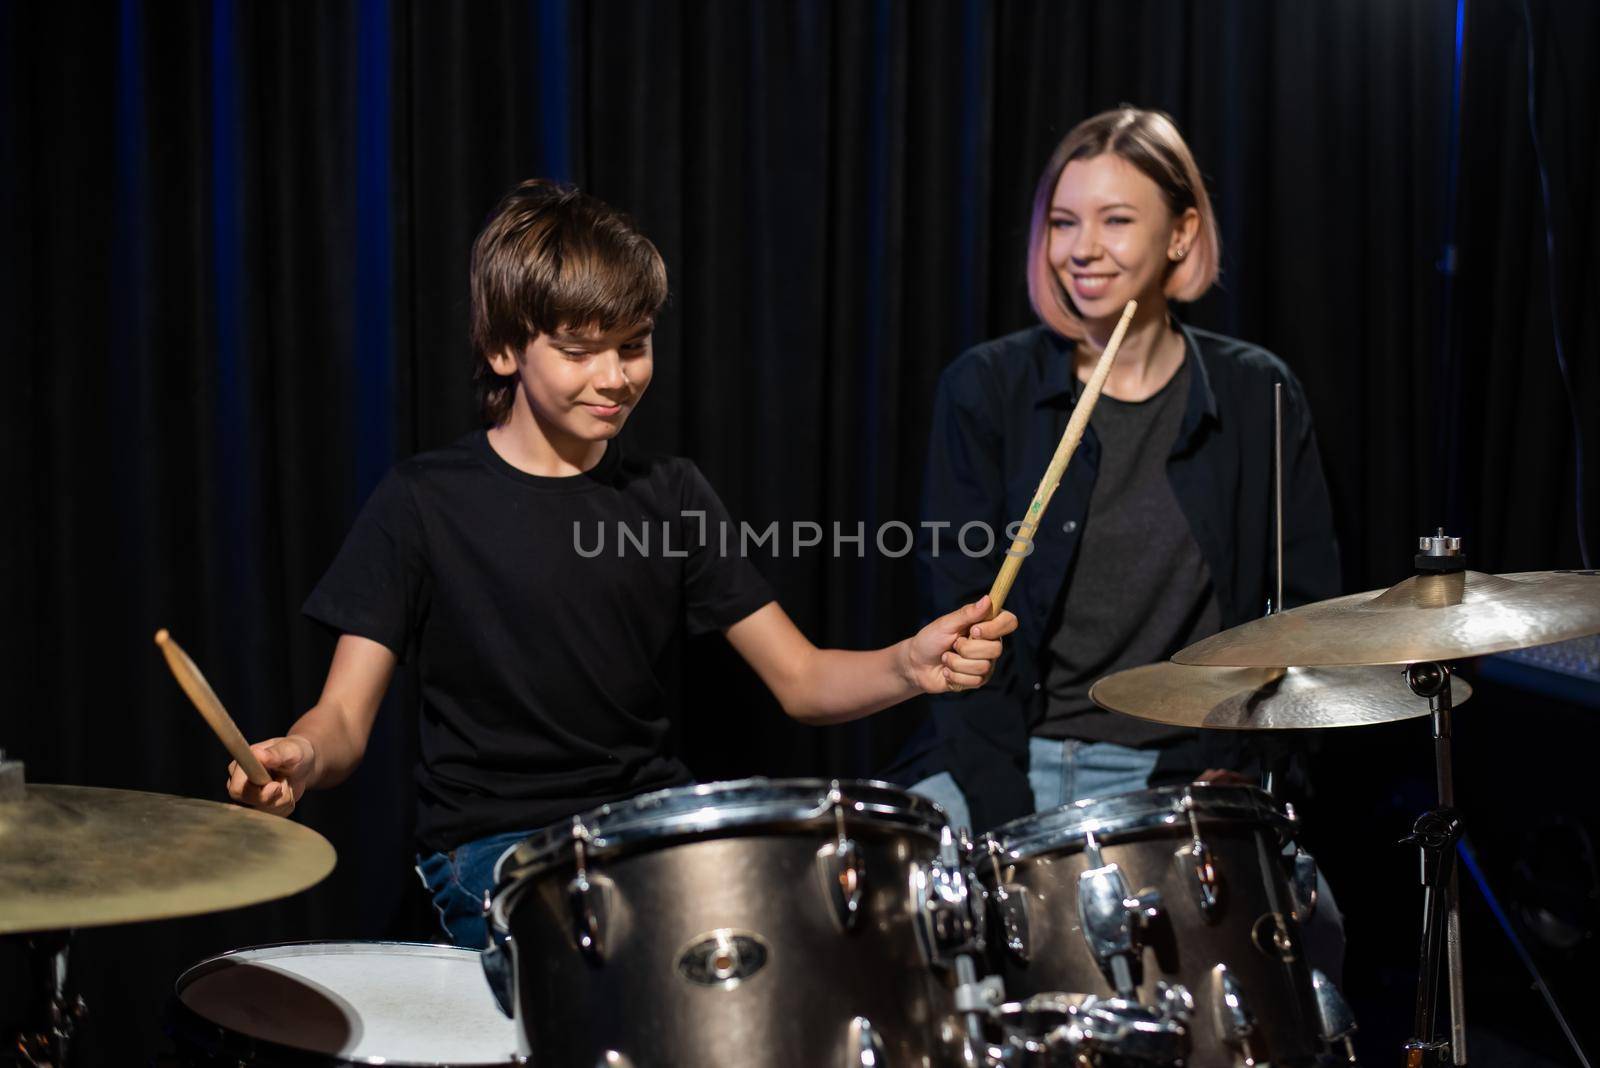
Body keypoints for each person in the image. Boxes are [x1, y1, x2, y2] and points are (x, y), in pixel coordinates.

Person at [226, 179, 1018, 948]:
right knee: (603, 963)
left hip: (646, 833)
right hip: (493, 850)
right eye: (578, 351)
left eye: (633, 345)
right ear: (505, 349)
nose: (615, 377)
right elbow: (342, 721)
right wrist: (301, 755)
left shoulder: (670, 494)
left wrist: (911, 665)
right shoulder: (420, 503)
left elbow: (803, 679)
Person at [893, 106, 1340, 836]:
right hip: (1005, 760)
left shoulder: (1261, 394)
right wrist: (1011, 827)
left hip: (1179, 773)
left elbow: (1307, 620)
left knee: (1311, 941)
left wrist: (1251, 764)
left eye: (1116, 220)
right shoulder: (985, 388)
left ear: (1183, 234)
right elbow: (955, 629)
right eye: (1063, 222)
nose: (1082, 249)